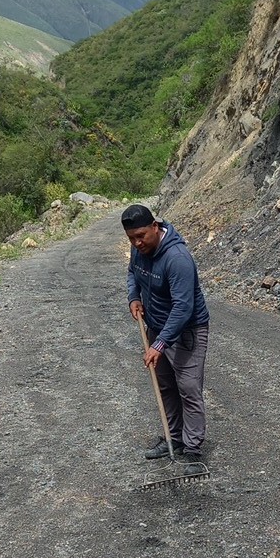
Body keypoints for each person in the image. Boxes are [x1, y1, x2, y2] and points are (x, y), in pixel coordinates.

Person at [122, 203, 210, 477]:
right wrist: (134, 297)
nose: (137, 243)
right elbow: (132, 273)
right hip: (156, 326)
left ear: (155, 226)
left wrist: (159, 345)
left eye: (141, 236)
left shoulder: (177, 258)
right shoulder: (139, 250)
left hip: (187, 331)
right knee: (165, 387)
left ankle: (192, 450)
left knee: (188, 389)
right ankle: (174, 438)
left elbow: (183, 308)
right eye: (131, 239)